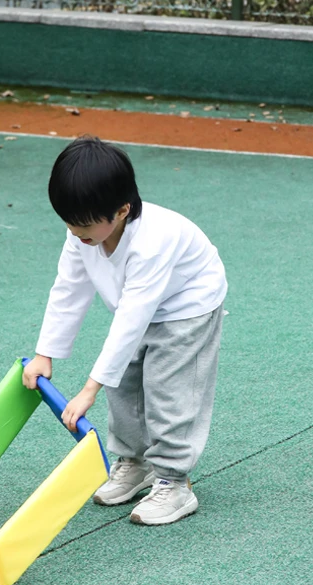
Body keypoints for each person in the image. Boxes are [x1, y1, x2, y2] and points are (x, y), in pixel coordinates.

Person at [23, 136, 227, 526]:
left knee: (169, 389)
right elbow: (69, 287)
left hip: (187, 305)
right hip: (139, 304)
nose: (73, 230)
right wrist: (45, 352)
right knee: (125, 386)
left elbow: (133, 317)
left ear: (121, 211)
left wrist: (88, 389)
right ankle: (135, 463)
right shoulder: (82, 233)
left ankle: (174, 481)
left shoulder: (152, 243)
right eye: (67, 221)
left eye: (82, 224)